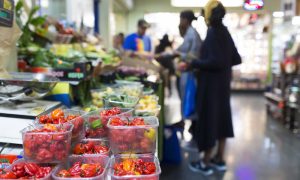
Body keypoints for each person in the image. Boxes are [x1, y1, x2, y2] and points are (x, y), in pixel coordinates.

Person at [179, 0, 242, 176]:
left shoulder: (213, 33)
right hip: (223, 87)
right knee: (222, 121)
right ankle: (219, 159)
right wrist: (223, 65)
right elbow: (236, 59)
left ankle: (205, 162)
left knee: (209, 122)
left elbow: (215, 61)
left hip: (210, 88)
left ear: (209, 16)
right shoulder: (225, 32)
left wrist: (194, 63)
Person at [173, 10, 202, 136]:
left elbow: (192, 55)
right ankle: (186, 122)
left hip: (190, 72)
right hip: (187, 71)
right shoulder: (189, 33)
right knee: (186, 97)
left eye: (181, 19)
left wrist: (177, 54)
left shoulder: (192, 34)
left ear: (185, 19)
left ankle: (190, 124)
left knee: (188, 98)